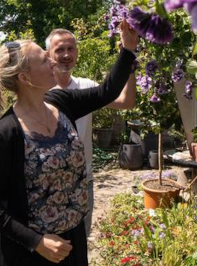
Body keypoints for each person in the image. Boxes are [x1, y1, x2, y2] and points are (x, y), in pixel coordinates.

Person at [0, 21, 139, 266]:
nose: (55, 62)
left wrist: (128, 46)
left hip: (72, 240)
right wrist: (36, 241)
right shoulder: (6, 134)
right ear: (25, 77)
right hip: (33, 254)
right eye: (43, 60)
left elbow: (108, 92)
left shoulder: (60, 103)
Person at [45, 28, 135, 237]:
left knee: (80, 239)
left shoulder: (86, 86)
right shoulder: (40, 92)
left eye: (71, 49)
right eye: (60, 50)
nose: (66, 55)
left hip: (83, 180)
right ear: (48, 54)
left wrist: (130, 67)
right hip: (48, 181)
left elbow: (126, 102)